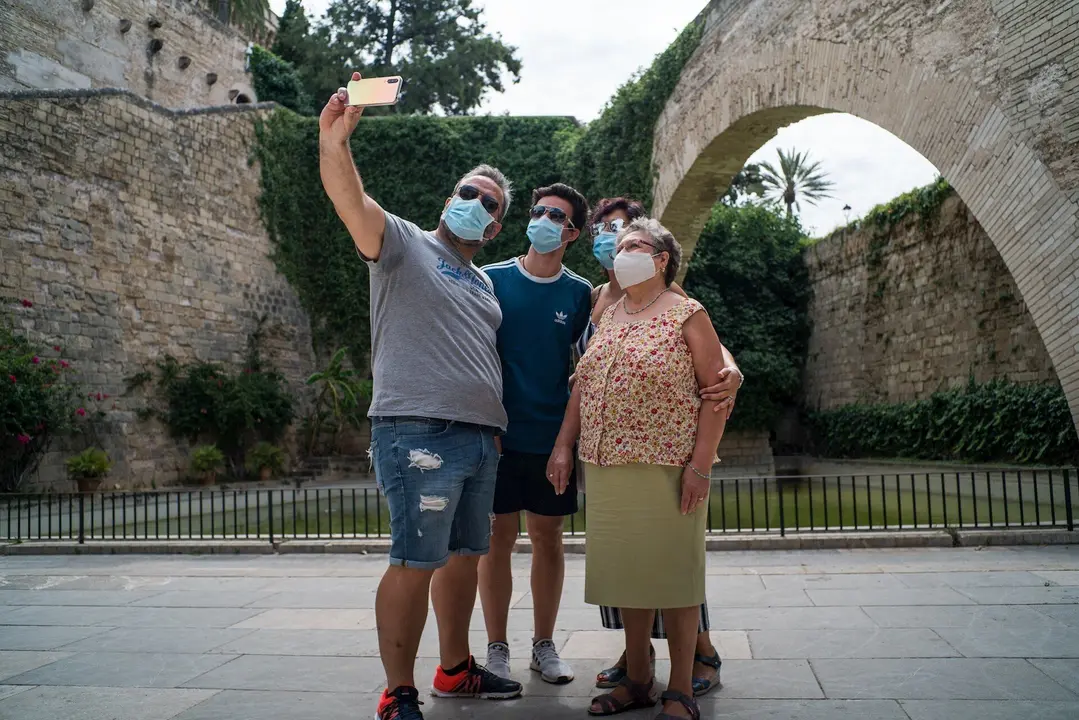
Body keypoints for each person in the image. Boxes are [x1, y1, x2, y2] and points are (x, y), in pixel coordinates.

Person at [318, 73, 522, 720]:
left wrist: (491, 428)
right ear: (448, 197)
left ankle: (455, 670)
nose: (476, 204)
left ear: (493, 230)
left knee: (464, 558)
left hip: (478, 439)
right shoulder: (403, 243)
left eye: (488, 204)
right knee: (415, 559)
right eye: (469, 192)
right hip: (416, 433)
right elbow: (352, 203)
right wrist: (335, 145)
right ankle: (396, 691)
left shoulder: (485, 285)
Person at [548, 217, 729, 720]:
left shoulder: (687, 313)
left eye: (635, 244)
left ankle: (680, 689)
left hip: (667, 467)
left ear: (662, 258)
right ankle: (640, 680)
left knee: (675, 577)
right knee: (628, 578)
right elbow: (582, 385)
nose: (622, 251)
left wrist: (700, 467)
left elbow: (716, 396)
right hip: (606, 466)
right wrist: (564, 445)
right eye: (619, 244)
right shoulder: (610, 315)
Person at [477, 183, 592, 685]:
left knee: (549, 540)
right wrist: (487, 424)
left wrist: (565, 443)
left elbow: (586, 373)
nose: (544, 220)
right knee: (495, 540)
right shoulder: (490, 279)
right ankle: (496, 648)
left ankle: (544, 647)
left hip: (550, 440)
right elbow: (471, 356)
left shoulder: (580, 294)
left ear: (573, 233)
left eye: (556, 216)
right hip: (495, 438)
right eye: (539, 211)